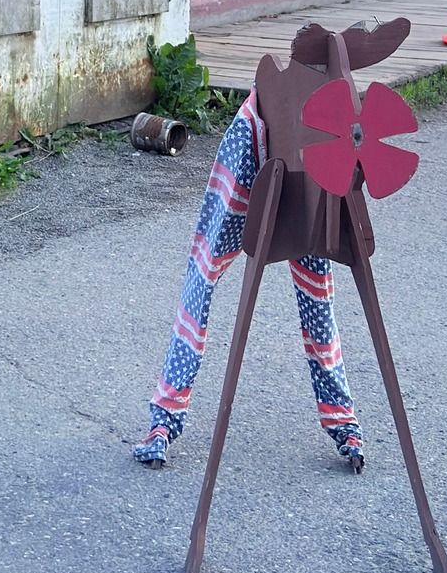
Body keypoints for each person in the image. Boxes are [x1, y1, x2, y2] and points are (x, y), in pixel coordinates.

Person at [132, 94, 362, 469]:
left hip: (314, 145)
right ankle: (164, 419)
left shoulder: (329, 101)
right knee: (203, 274)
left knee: (317, 294)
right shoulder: (258, 115)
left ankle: (343, 421)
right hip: (259, 139)